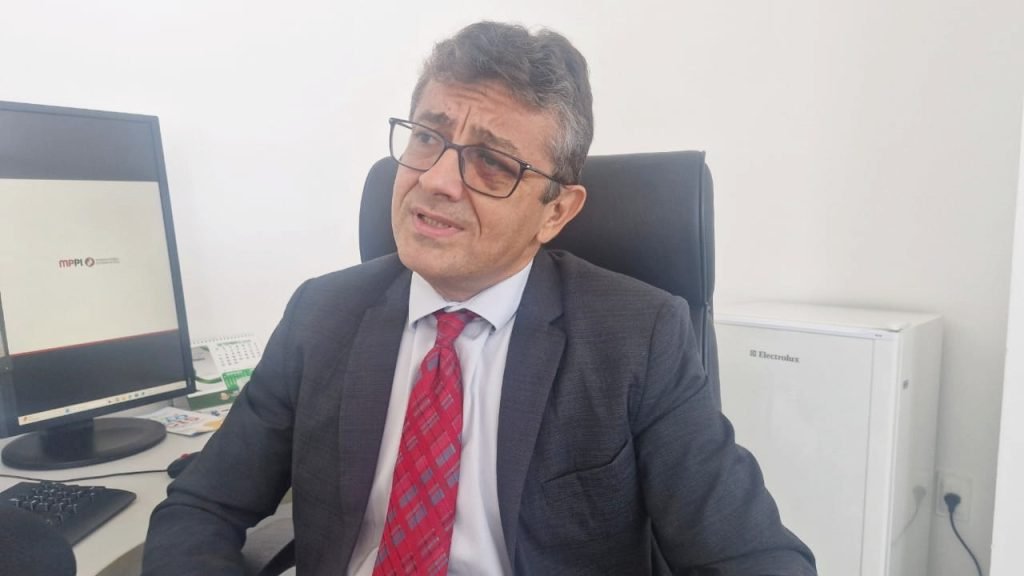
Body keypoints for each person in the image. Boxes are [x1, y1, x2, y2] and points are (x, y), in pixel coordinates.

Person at [143, 21, 816, 575]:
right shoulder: (322, 314)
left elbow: (753, 558)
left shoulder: (639, 337)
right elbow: (201, 505)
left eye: (492, 162)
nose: (436, 180)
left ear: (555, 211)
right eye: (427, 137)